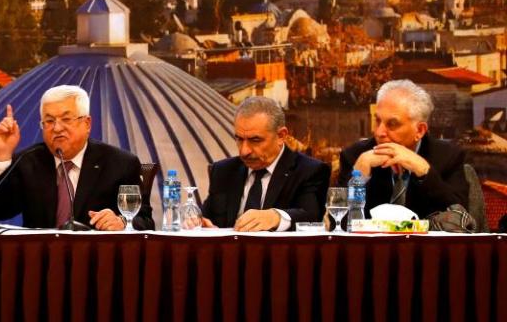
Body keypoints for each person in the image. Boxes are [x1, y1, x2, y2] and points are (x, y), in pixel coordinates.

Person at [0, 85, 154, 230]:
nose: (57, 128)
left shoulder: (120, 164)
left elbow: (145, 221)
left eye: (66, 119)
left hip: (96, 261)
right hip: (41, 261)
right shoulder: (29, 161)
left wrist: (122, 222)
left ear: (87, 124)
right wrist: (2, 155)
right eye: (49, 121)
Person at [337, 79, 468, 219]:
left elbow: (460, 218)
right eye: (377, 121)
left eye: (392, 124)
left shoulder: (447, 156)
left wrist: (424, 171)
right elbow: (336, 222)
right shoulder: (355, 155)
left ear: (419, 130)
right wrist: (359, 175)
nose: (379, 132)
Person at [201, 96, 330, 231]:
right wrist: (197, 222)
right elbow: (207, 217)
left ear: (281, 136)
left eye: (255, 140)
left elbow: (311, 217)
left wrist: (276, 217)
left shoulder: (309, 171)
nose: (244, 151)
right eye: (239, 139)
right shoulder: (223, 171)